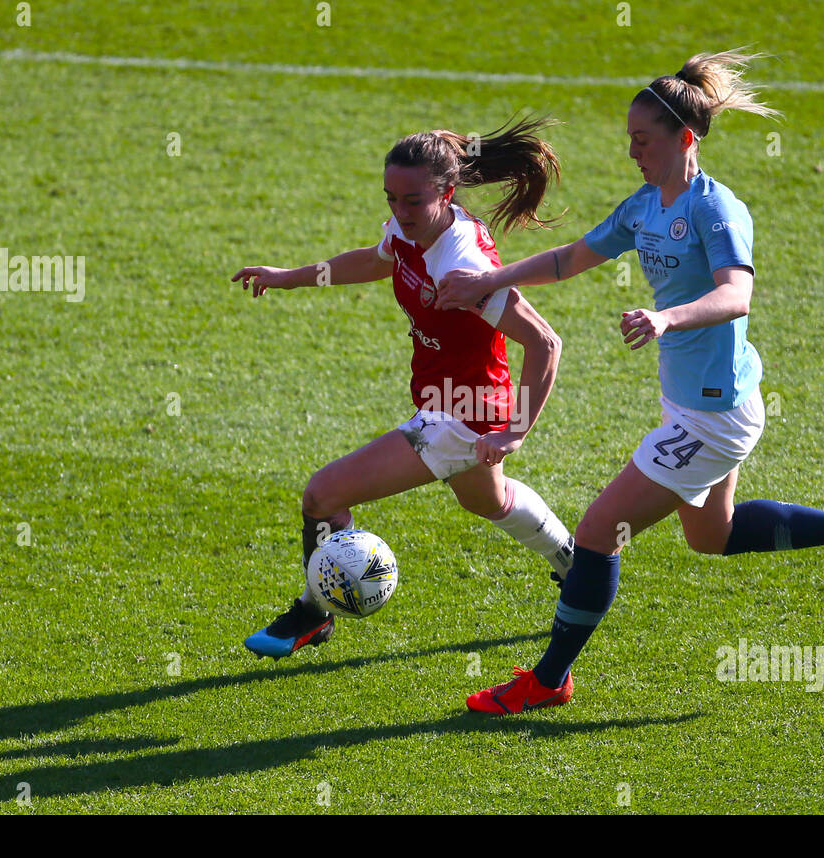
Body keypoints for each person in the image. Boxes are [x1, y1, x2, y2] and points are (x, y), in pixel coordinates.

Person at [436, 52, 824, 714]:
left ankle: (549, 677)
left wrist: (665, 315)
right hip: (703, 400)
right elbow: (570, 258)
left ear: (685, 138)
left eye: (642, 141)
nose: (632, 153)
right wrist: (489, 280)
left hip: (711, 416)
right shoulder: (646, 205)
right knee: (712, 535)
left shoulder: (717, 210)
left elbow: (737, 294)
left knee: (595, 533)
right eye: (629, 140)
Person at [232, 118, 575, 659]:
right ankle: (574, 565)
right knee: (491, 501)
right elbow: (374, 260)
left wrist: (514, 431)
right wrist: (289, 275)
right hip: (448, 401)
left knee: (322, 496)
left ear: (447, 192)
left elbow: (545, 343)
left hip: (463, 414)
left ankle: (312, 615)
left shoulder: (460, 265)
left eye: (412, 201)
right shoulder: (412, 230)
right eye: (391, 198)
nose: (399, 212)